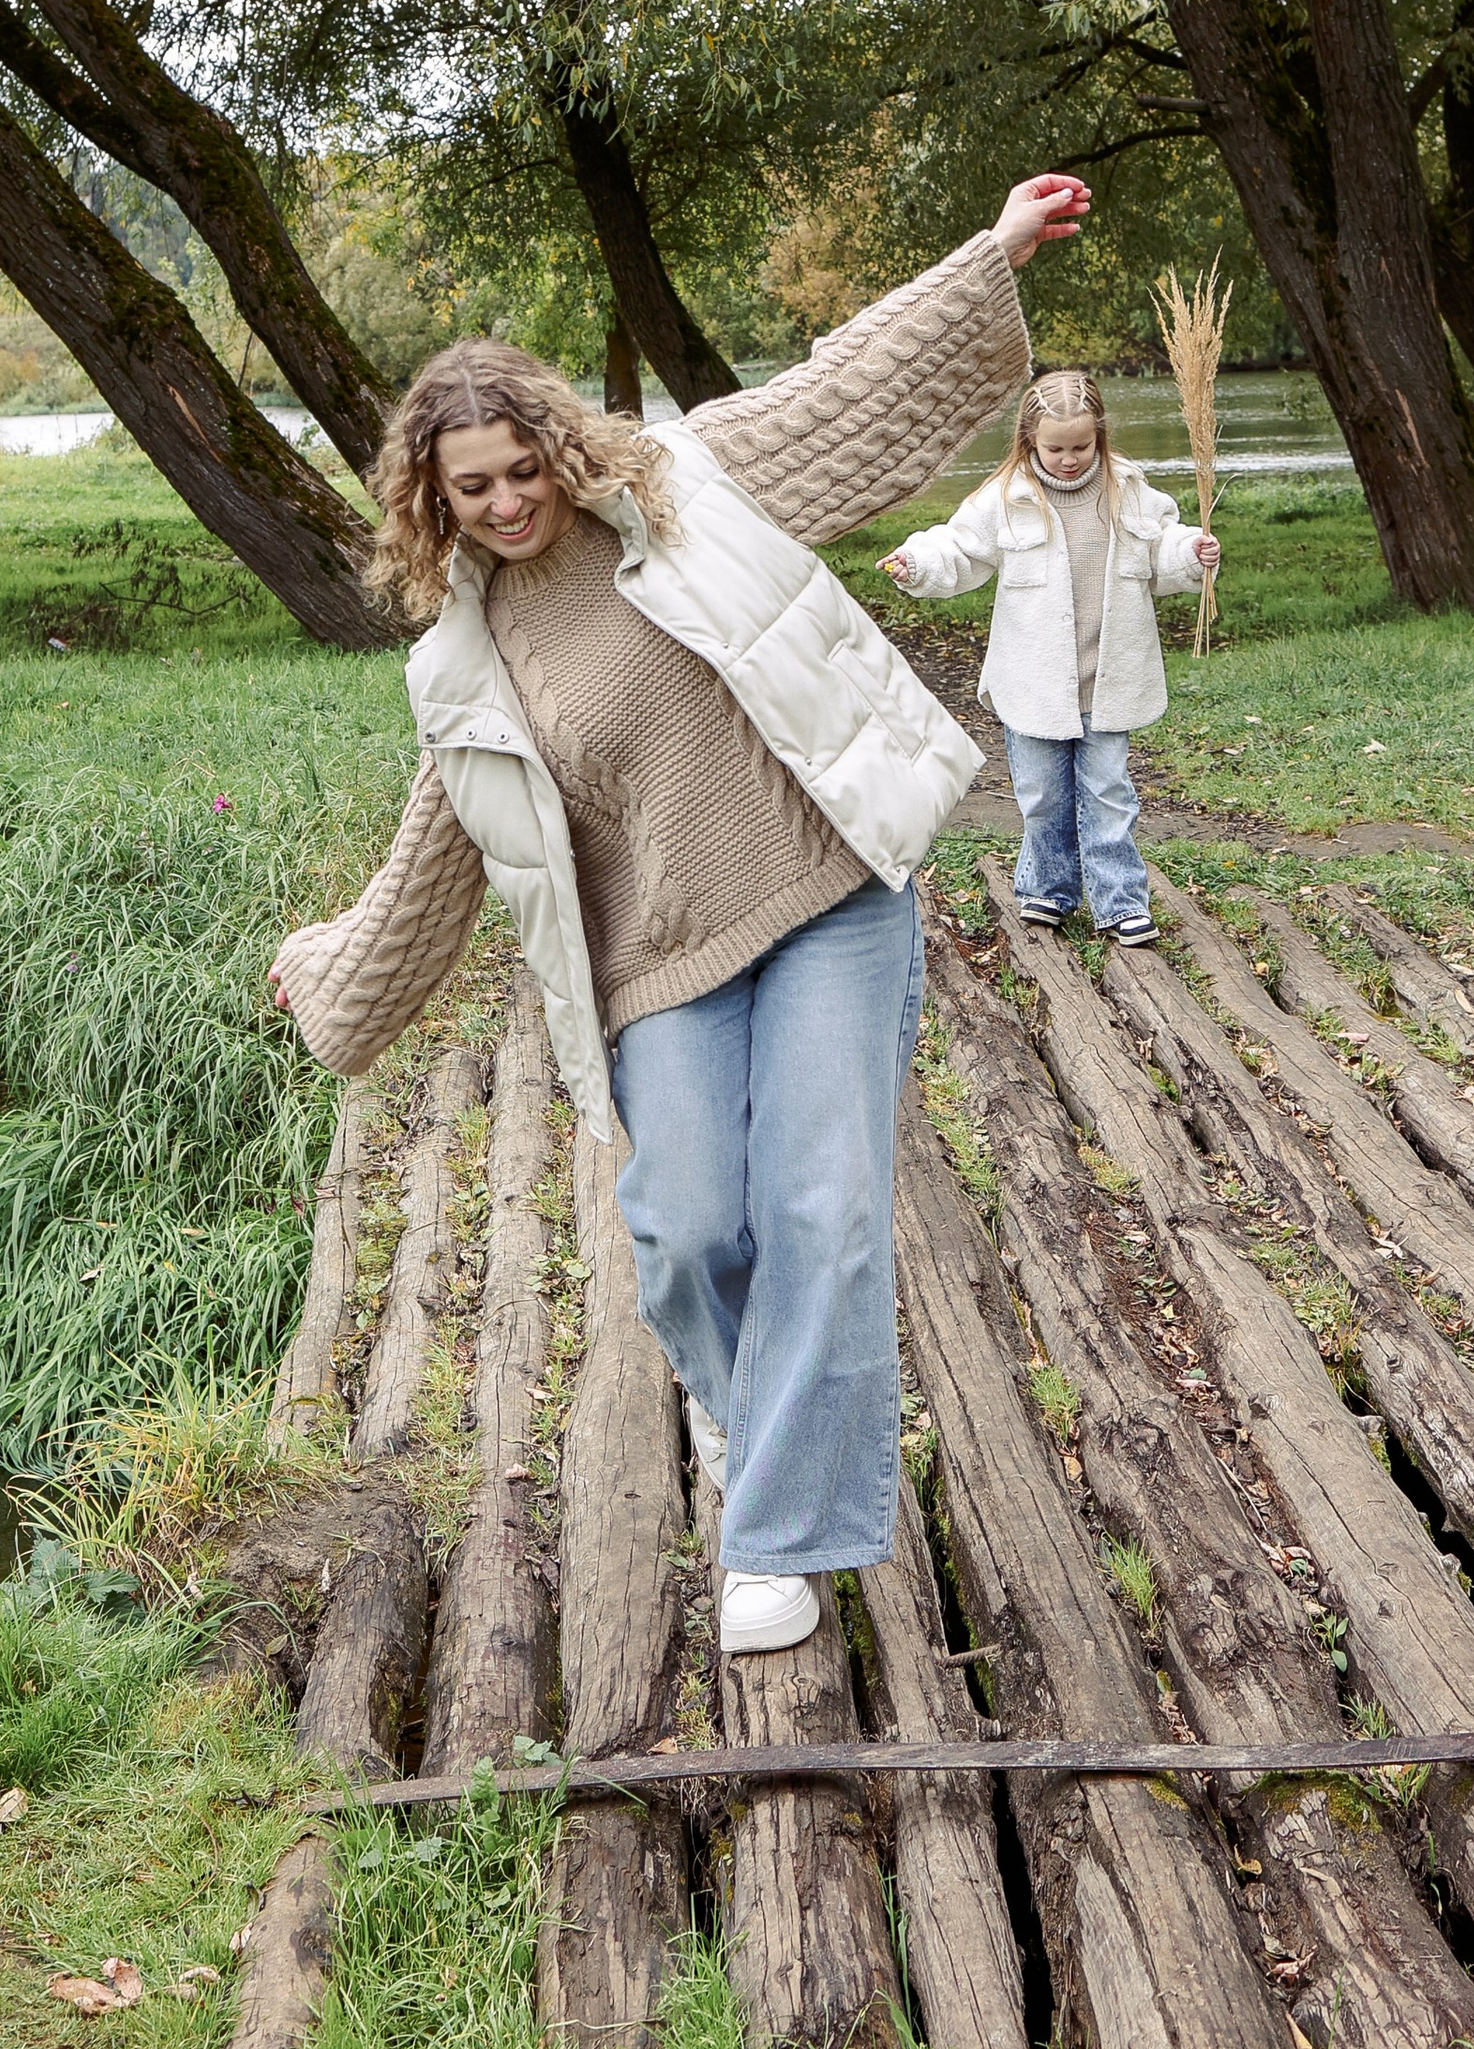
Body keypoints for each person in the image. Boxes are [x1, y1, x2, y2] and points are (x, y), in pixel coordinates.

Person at [268, 177, 1085, 1664]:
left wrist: (994, 249)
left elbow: (851, 389)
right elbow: (438, 859)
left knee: (823, 1212)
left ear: (556, 444)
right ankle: (746, 1401)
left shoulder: (688, 483)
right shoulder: (463, 668)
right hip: (660, 967)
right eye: (475, 489)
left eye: (524, 467)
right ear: (431, 502)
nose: (511, 503)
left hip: (828, 891)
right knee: (687, 1227)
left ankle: (776, 1536)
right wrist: (322, 977)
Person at [880, 367, 1218, 944]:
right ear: (1029, 439)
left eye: (1082, 446)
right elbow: (958, 549)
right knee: (1042, 794)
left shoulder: (1128, 488)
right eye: (1055, 447)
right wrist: (918, 563)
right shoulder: (1007, 499)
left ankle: (1120, 901)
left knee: (1109, 792)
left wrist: (1191, 551)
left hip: (1108, 678)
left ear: (1100, 436)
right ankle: (1047, 890)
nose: (1069, 459)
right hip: (1035, 683)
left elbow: (1162, 545)